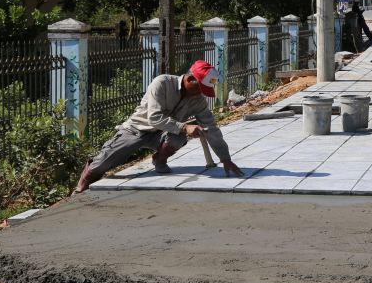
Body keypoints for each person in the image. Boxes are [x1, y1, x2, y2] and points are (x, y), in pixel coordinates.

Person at [73, 60, 244, 193]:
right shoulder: (162, 83)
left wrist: (225, 159)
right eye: (200, 88)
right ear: (190, 78)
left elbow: (211, 128)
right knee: (102, 164)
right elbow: (154, 118)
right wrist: (185, 127)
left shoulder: (197, 100)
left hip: (161, 135)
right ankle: (80, 190)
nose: (201, 94)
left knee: (177, 136)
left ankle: (160, 158)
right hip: (136, 131)